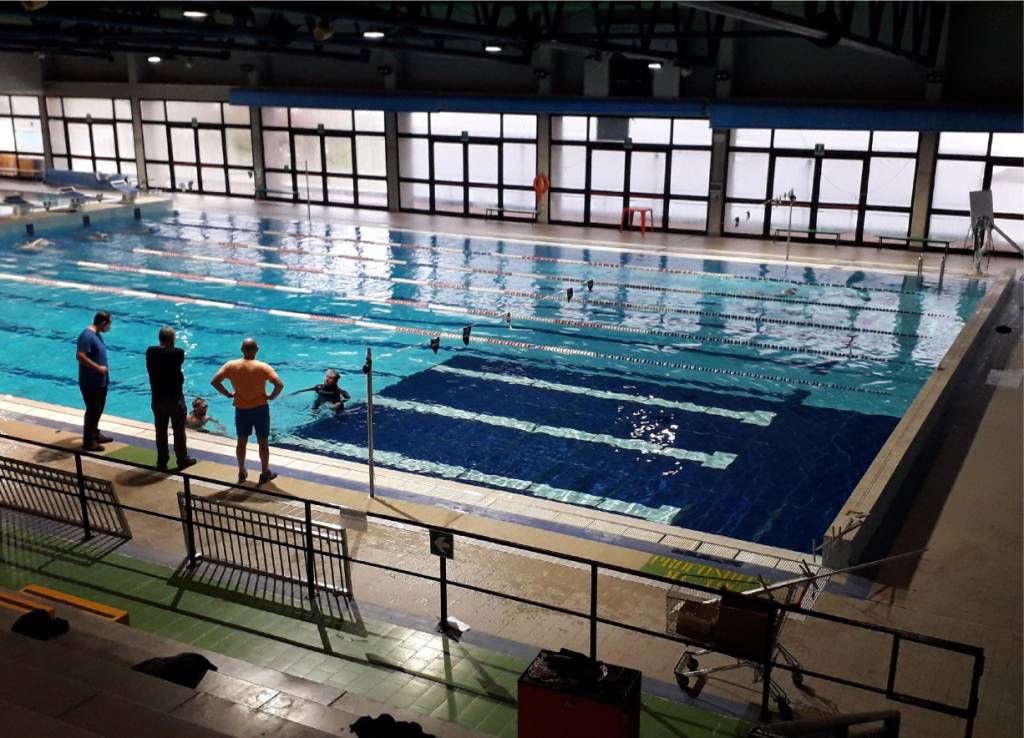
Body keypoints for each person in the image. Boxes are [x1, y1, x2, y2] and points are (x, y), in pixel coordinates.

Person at [211, 338, 284, 485]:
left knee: (241, 441)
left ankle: (242, 471)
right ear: (256, 350)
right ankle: (264, 473)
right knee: (263, 442)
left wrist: (228, 394)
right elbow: (279, 385)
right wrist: (270, 397)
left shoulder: (231, 365)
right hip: (260, 409)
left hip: (241, 409)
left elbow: (215, 382)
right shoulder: (263, 367)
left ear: (241, 350)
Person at [145, 326, 196, 471]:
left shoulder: (151, 351)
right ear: (172, 339)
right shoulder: (178, 353)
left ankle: (162, 461)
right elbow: (175, 355)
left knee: (160, 431)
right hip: (175, 399)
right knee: (179, 431)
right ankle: (182, 459)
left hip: (157, 399)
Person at [76, 310, 113, 451]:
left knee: (98, 409)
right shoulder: (86, 336)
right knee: (92, 410)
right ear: (103, 323)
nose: (109, 327)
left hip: (100, 381)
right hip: (90, 382)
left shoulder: (96, 335)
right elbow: (80, 356)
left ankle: (94, 433)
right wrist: (98, 368)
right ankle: (88, 441)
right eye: (109, 324)